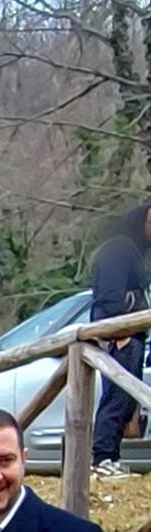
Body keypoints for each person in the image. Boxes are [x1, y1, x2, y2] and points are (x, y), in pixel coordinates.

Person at [90, 200, 151, 479]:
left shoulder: (134, 254)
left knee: (125, 400)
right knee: (116, 398)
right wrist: (120, 332)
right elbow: (109, 296)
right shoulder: (118, 250)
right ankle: (102, 458)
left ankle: (111, 457)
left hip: (133, 335)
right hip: (121, 336)